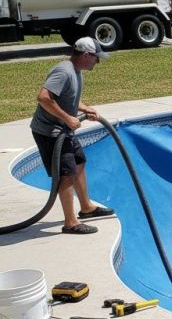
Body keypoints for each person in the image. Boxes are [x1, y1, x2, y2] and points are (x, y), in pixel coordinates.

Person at [30, 37, 115, 235]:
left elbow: (67, 98)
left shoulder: (76, 72)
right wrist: (68, 118)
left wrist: (86, 109)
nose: (98, 61)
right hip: (51, 133)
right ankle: (70, 223)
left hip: (63, 130)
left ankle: (86, 208)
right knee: (66, 174)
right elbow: (43, 98)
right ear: (86, 55)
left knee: (78, 162)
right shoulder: (64, 71)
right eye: (96, 57)